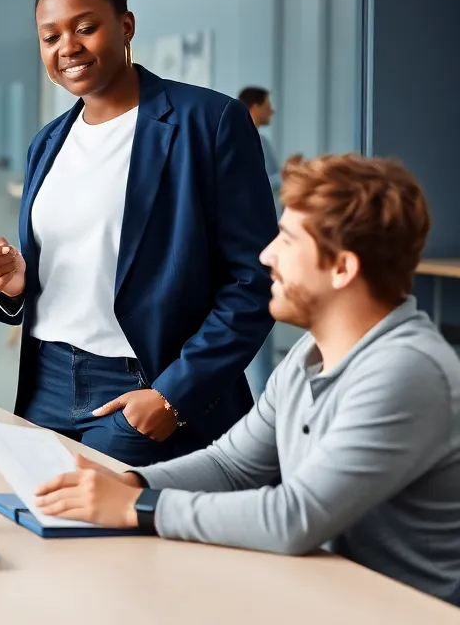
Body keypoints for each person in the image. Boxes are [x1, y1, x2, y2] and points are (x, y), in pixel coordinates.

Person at [31, 153, 460, 606]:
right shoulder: (308, 356)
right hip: (325, 596)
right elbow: (232, 467)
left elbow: (294, 518)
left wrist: (132, 508)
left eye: (288, 240)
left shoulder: (406, 371)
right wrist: (133, 483)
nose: (266, 255)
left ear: (342, 268)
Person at [0, 0, 276, 466]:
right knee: (48, 535)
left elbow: (255, 280)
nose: (67, 46)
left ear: (126, 26)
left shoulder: (209, 121)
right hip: (45, 382)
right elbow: (79, 266)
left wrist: (175, 396)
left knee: (127, 539)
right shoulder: (48, 142)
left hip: (144, 384)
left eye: (85, 28)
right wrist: (18, 284)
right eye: (50, 37)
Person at [239, 86, 280, 398]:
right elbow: (260, 184)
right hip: (254, 245)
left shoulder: (258, 140)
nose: (272, 111)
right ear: (255, 106)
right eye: (268, 105)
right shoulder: (247, 139)